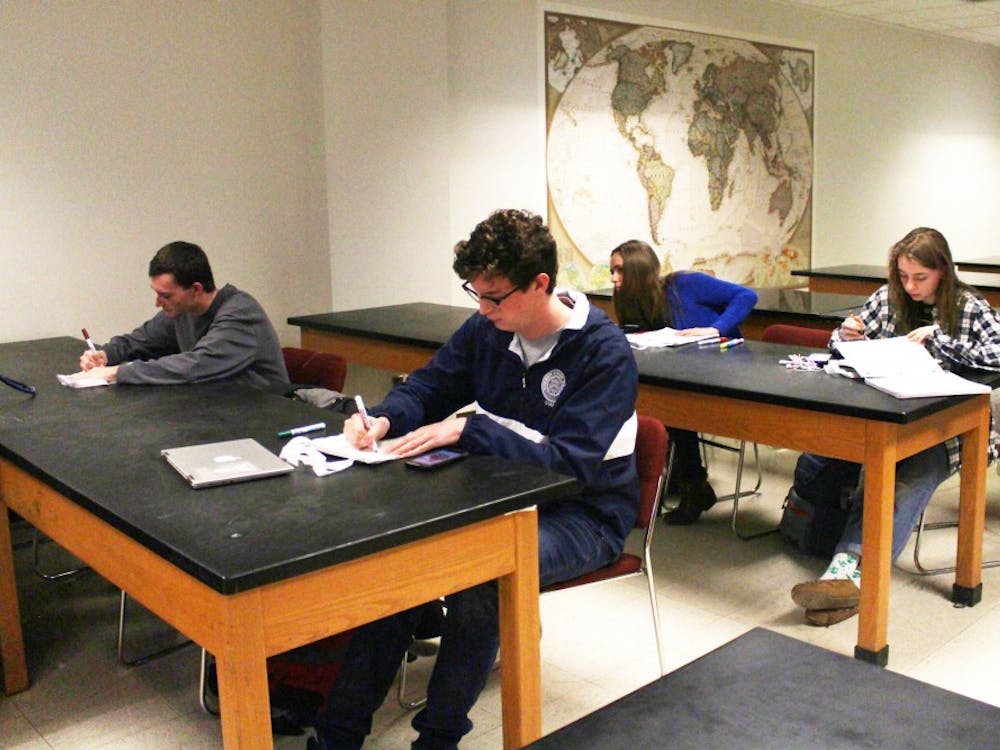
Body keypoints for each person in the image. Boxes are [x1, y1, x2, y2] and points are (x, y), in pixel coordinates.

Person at [309, 209, 640, 750]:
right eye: (476, 295)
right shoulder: (488, 329)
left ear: (540, 284)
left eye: (495, 298)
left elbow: (569, 466)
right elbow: (432, 385)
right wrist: (386, 418)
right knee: (400, 559)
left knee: (479, 576)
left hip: (582, 514)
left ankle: (438, 738)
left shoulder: (603, 354)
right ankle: (337, 734)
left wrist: (469, 430)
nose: (483, 310)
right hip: (496, 498)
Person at [791, 227, 1000, 626]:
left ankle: (847, 576)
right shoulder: (888, 297)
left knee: (902, 481)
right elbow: (843, 341)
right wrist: (844, 335)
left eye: (920, 277)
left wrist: (940, 340)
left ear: (943, 270)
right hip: (887, 416)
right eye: (904, 276)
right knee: (847, 466)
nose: (910, 285)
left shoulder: (969, 306)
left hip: (950, 428)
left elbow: (998, 350)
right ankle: (844, 587)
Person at [610, 239, 758, 524]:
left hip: (725, 368)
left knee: (674, 406)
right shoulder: (636, 303)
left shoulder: (685, 284)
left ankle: (693, 483)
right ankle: (687, 481)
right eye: (612, 271)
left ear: (638, 270)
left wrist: (715, 328)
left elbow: (746, 296)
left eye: (620, 270)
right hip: (684, 374)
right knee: (658, 400)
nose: (614, 278)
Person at [78, 241, 289, 390]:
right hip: (220, 411)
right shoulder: (183, 311)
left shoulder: (241, 314)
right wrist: (105, 355)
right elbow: (140, 340)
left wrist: (116, 373)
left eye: (165, 295)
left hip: (266, 414)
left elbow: (195, 365)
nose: (157, 302)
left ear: (196, 289)